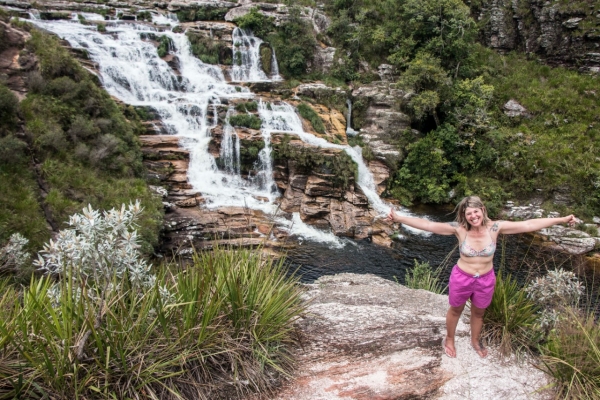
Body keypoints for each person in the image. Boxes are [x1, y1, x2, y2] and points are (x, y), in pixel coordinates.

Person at [386, 196, 576, 358]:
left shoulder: (496, 228)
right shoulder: (459, 229)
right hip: (462, 277)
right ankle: (450, 339)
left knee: (479, 312)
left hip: (485, 279)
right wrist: (398, 217)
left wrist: (562, 219)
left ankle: (475, 341)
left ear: (482, 210)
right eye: (469, 214)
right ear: (464, 215)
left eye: (476, 212)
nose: (473, 216)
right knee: (455, 310)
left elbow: (528, 224)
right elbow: (428, 225)